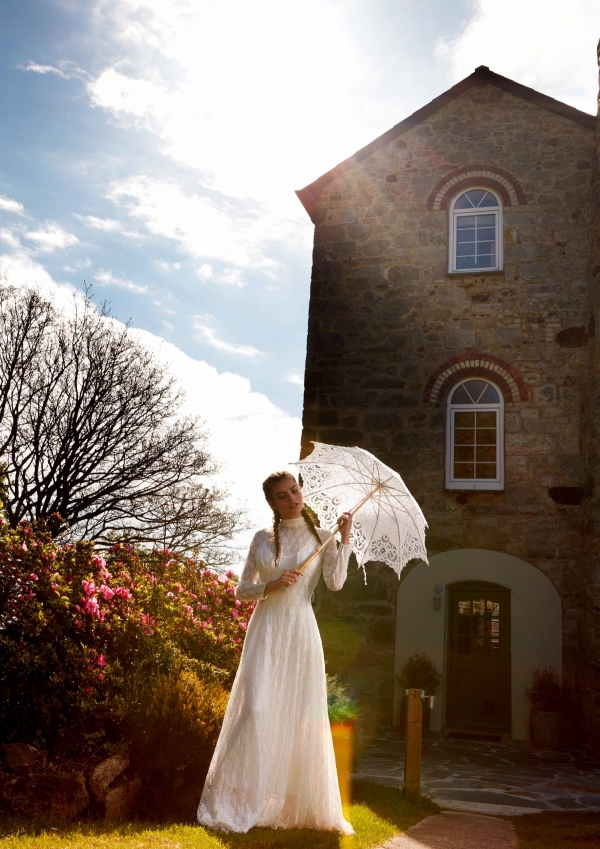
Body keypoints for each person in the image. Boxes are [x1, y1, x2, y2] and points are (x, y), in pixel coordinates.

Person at [197, 470, 354, 834]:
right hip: (266, 631)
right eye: (282, 495)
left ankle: (290, 806)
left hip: (300, 631)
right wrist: (272, 584)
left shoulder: (323, 537)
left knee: (298, 716)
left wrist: (343, 537)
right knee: (255, 709)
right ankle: (238, 799)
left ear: (301, 491)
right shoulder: (261, 538)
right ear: (272, 502)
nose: (292, 498)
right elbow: (241, 590)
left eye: (294, 490)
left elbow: (335, 583)